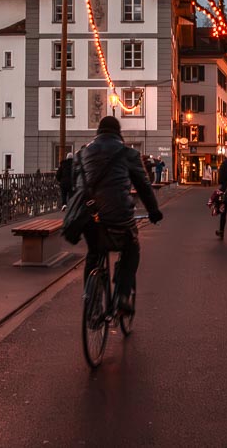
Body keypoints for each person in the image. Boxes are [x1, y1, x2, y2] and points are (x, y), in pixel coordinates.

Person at [75, 116, 162, 314]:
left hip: (89, 216)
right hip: (118, 217)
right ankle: (122, 296)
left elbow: (76, 184)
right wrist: (153, 211)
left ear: (99, 132)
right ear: (118, 133)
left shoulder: (83, 153)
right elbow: (143, 185)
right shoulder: (128, 153)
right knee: (131, 249)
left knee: (94, 253)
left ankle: (92, 304)